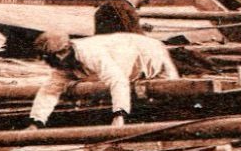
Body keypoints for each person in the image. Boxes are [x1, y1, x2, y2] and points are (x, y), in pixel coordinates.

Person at [28, 29, 180, 127]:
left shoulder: (91, 53)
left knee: (171, 93)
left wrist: (119, 115)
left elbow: (117, 80)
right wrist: (36, 122)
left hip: (149, 52)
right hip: (127, 57)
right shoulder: (64, 63)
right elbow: (49, 90)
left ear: (62, 53)